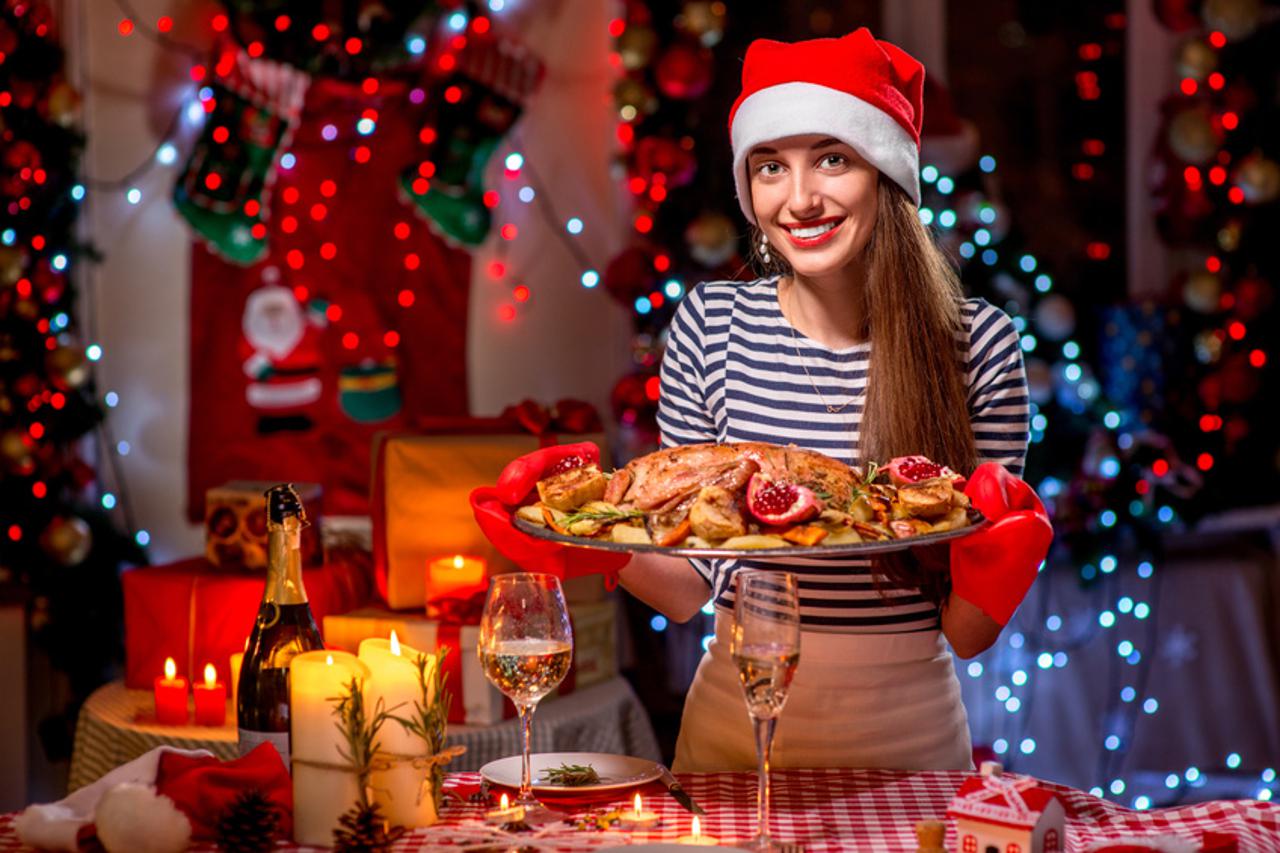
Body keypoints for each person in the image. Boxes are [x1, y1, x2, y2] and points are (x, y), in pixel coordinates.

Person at [471, 29, 1052, 772]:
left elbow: (966, 633)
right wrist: (585, 542)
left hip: (911, 739)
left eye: (832, 158)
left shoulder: (979, 343)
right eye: (771, 167)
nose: (800, 197)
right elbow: (689, 588)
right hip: (732, 733)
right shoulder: (711, 327)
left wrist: (1000, 562)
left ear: (887, 173)